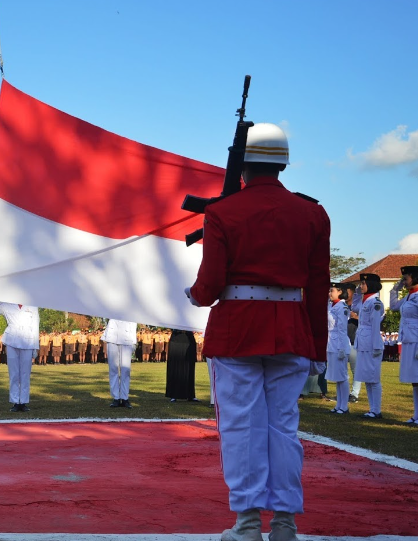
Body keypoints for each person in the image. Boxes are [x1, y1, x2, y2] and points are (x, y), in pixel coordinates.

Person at [185, 122, 330, 541]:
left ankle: (247, 523)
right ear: (283, 164)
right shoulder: (313, 213)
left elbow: (210, 285)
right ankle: (285, 523)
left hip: (237, 331)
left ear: (242, 166)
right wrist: (317, 347)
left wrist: (193, 297)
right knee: (283, 429)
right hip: (291, 330)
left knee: (241, 427)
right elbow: (318, 288)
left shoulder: (222, 213)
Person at [0, 301, 39, 412]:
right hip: (11, 341)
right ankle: (15, 401)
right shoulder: (6, 305)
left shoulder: (32, 306)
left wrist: (35, 347)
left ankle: (23, 402)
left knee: (25, 374)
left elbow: (35, 327)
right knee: (13, 373)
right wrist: (1, 297)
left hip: (28, 341)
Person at [350, 273, 385, 419]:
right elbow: (354, 306)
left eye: (363, 283)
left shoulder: (375, 303)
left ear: (371, 284)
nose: (361, 286)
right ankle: (372, 409)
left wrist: (377, 347)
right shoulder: (365, 301)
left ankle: (376, 410)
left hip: (372, 344)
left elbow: (376, 326)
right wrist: (357, 293)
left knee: (373, 379)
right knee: (367, 378)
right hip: (364, 343)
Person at [390, 265, 418, 424]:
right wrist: (395, 289)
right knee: (415, 380)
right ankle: (416, 414)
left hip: (416, 341)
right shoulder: (408, 297)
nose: (404, 281)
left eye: (405, 278)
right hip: (409, 340)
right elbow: (394, 306)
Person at [326, 282, 353, 414]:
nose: (330, 293)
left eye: (332, 291)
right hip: (331, 343)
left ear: (340, 292)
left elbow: (342, 329)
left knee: (343, 376)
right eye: (330, 291)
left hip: (339, 344)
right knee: (337, 377)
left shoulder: (342, 307)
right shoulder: (331, 305)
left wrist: (342, 348)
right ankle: (339, 405)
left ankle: (344, 406)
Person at [102, 319, 137, 408]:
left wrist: (133, 341)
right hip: (112, 337)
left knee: (125, 370)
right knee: (113, 369)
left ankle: (125, 398)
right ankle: (116, 398)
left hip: (127, 337)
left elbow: (134, 321)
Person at [165, 330, 198, 402]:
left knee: (189, 368)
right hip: (176, 341)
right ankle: (174, 394)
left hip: (189, 340)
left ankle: (190, 395)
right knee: (176, 367)